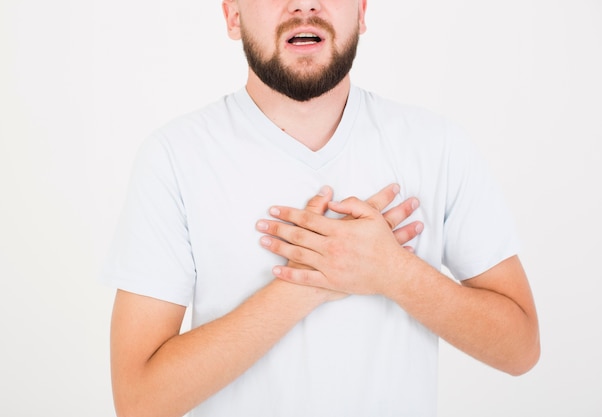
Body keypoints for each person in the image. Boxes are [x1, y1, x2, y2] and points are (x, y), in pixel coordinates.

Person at [101, 1, 540, 416]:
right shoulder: (176, 157)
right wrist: (312, 281)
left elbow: (520, 348)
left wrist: (395, 273)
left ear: (362, 12)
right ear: (233, 16)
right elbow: (140, 401)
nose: (304, 5)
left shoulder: (437, 146)